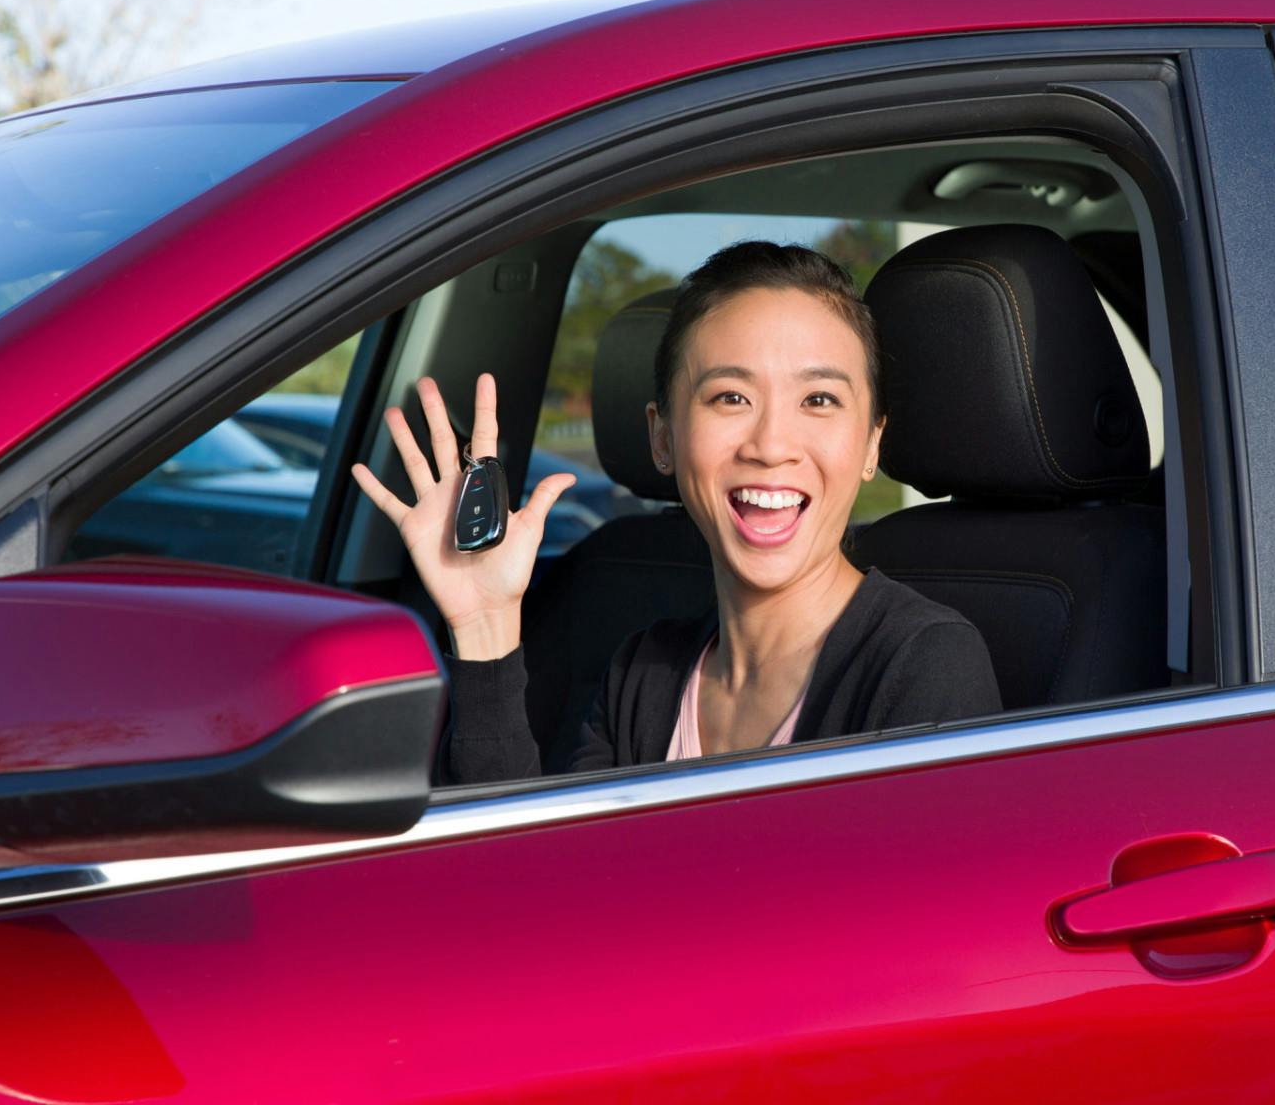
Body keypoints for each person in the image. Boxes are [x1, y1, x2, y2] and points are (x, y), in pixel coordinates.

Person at [352, 242, 1002, 783]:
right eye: (729, 397)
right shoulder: (644, 673)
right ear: (662, 439)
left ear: (871, 444)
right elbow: (542, 896)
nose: (771, 445)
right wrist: (488, 623)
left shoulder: (924, 664)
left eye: (820, 400)